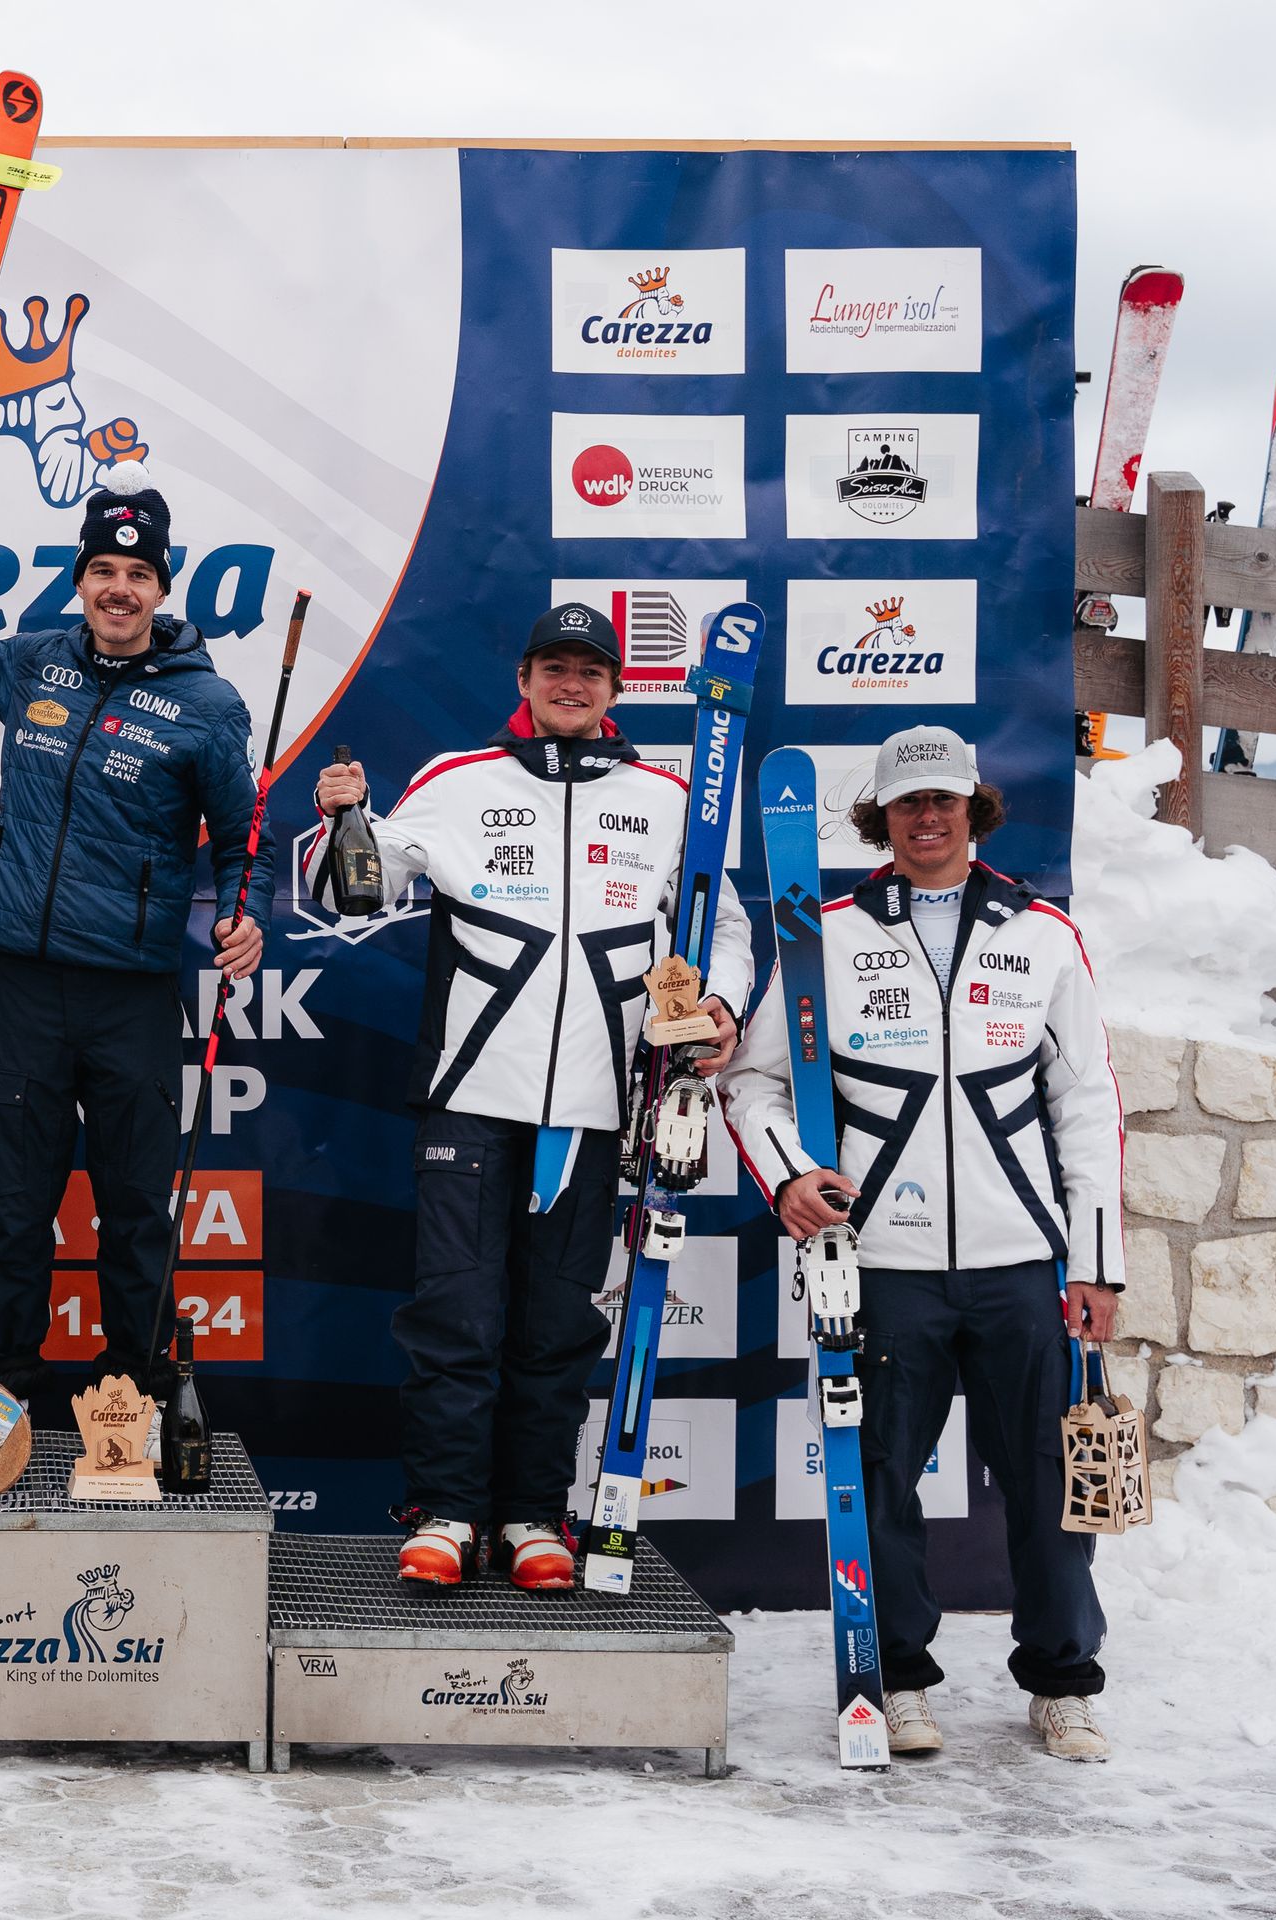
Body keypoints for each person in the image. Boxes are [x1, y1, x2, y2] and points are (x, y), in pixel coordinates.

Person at [307, 602, 751, 1591]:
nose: (572, 684)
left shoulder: (667, 797)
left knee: (557, 1324)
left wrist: (718, 1000)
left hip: (595, 1110)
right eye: (555, 666)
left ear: (616, 688)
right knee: (456, 1315)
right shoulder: (458, 782)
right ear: (524, 678)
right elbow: (353, 895)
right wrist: (343, 822)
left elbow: (722, 925)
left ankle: (532, 1516)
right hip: (471, 1095)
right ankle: (448, 1510)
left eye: (591, 671)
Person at [721, 724, 1127, 1763]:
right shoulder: (829, 932)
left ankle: (1063, 1683)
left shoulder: (1041, 932)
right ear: (882, 820)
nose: (930, 819)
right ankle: (896, 1678)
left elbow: (1086, 1105)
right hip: (883, 1265)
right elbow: (757, 1081)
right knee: (880, 1481)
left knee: (1047, 1483)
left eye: (946, 801)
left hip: (1018, 1261)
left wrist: (1095, 1261)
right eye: (910, 805)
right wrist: (789, 1176)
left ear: (975, 809)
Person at [0, 466, 275, 1407]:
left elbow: (243, 843)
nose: (119, 587)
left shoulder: (207, 704)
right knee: (13, 1216)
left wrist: (245, 913)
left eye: (138, 573)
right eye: (103, 568)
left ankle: (135, 1405)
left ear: (162, 588)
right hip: (23, 988)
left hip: (131, 997)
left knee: (136, 1216)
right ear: (80, 578)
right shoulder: (39, 661)